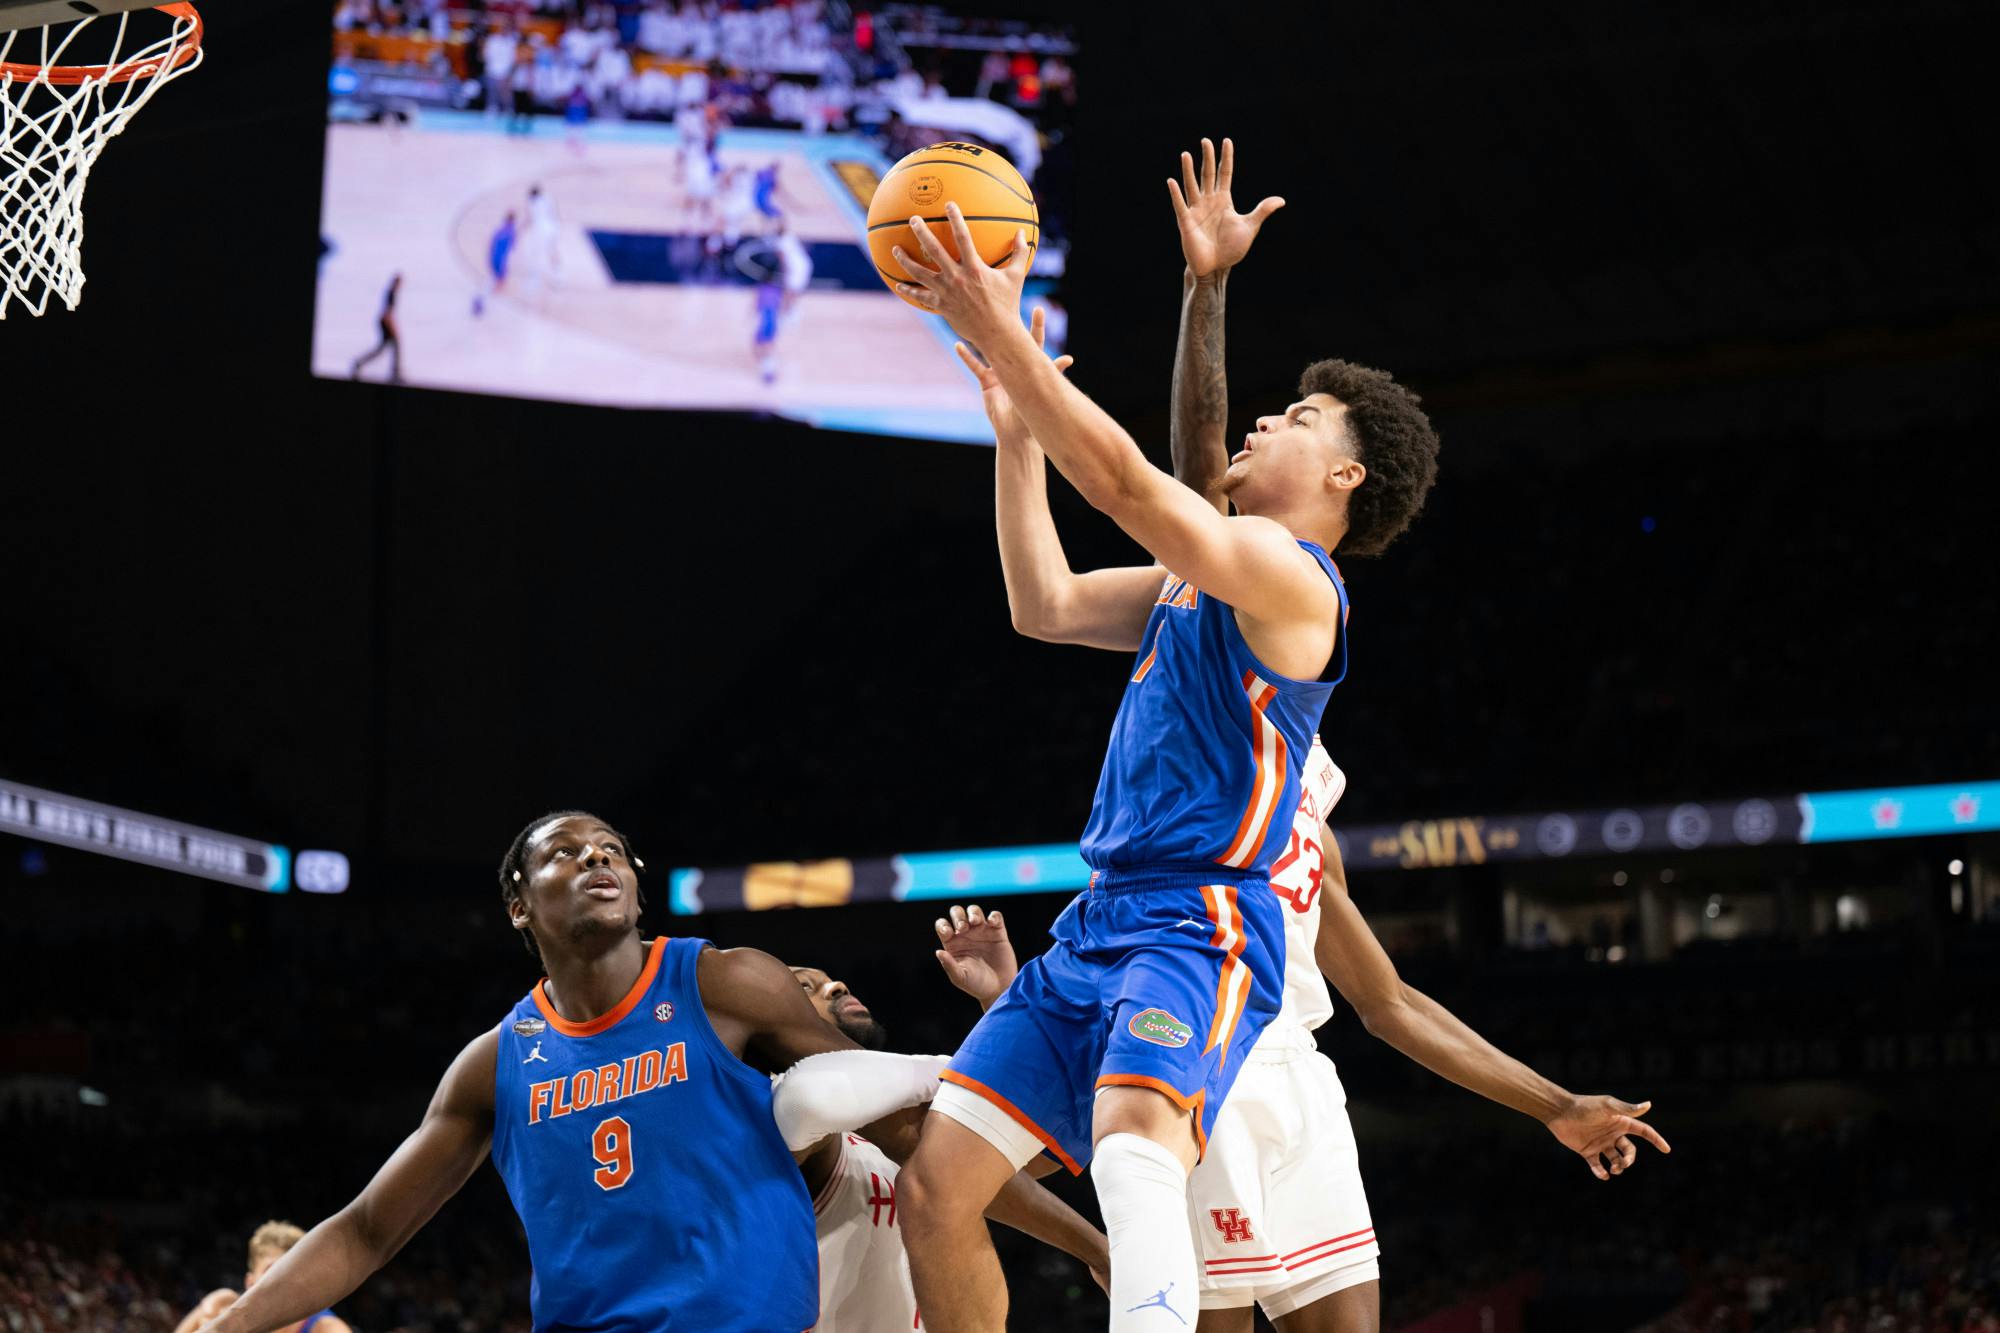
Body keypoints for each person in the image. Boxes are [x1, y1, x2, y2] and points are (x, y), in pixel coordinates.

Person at [889, 133, 1443, 1333]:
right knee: (934, 1188)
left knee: (1133, 1148)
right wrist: (1014, 438)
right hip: (1099, 919)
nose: (1266, 421)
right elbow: (1039, 604)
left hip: (1202, 920)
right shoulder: (1194, 584)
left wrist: (1000, 333)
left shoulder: (1295, 584)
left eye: (1296, 416)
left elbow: (1143, 486)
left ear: (1343, 476)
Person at [934, 758, 1670, 1333]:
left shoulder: (1311, 817)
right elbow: (1117, 980)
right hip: (1206, 1069)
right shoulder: (1170, 782)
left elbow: (1390, 1001)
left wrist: (1556, 1104)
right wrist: (1007, 1001)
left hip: (1303, 1086)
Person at [192, 811, 956, 1333]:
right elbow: (364, 1231)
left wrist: (1076, 1228)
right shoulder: (494, 1064)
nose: (596, 855)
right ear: (519, 905)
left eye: (612, 849)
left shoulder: (728, 984)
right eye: (566, 850)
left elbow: (908, 1128)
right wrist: (232, 1324)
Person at [788, 964, 1110, 1330]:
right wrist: (1099, 1253)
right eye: (803, 986)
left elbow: (1017, 1158)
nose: (836, 986)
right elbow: (816, 1093)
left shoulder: (890, 1124)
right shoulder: (785, 1117)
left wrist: (999, 999)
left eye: (829, 978)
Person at [173, 1223, 349, 1333]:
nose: (281, 1281)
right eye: (271, 1271)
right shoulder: (218, 1309)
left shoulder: (327, 1329)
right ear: (250, 1282)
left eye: (289, 1272)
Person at [349, 273, 401, 382]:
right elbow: (387, 313)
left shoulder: (391, 292)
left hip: (384, 322)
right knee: (389, 347)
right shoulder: (391, 293)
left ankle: (359, 363)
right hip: (385, 322)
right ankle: (394, 374)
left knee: (385, 348)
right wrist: (393, 329)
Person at [474, 211, 516, 317]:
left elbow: (491, 244)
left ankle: (482, 299)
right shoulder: (512, 232)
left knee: (493, 280)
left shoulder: (499, 230)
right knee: (496, 282)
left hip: (493, 257)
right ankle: (482, 300)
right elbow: (511, 248)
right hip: (501, 261)